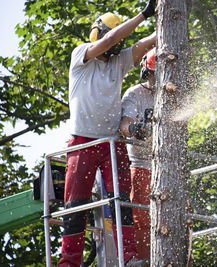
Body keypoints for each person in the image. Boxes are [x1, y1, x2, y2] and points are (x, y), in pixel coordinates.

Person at [59, 1, 156, 266]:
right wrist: (145, 14)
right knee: (75, 207)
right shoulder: (81, 55)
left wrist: (166, 21)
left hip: (113, 144)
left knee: (121, 204)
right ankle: (69, 263)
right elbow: (114, 37)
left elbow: (145, 44)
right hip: (82, 142)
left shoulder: (119, 62)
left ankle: (130, 257)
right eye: (110, 36)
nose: (114, 41)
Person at [119, 48, 156, 260]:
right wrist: (135, 130)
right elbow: (125, 124)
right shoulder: (134, 94)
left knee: (182, 220)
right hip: (140, 166)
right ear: (146, 72)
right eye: (154, 74)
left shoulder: (173, 95)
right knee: (141, 223)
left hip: (169, 169)